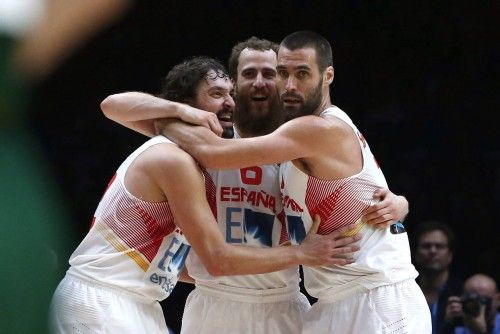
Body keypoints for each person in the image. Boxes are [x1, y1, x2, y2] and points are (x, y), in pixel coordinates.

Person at [102, 36, 410, 333]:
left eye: (269, 73)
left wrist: (398, 203)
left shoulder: (299, 148)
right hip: (214, 300)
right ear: (234, 84)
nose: (260, 82)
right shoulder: (206, 137)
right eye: (250, 73)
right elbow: (113, 105)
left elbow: (359, 185)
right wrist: (178, 111)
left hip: (282, 300)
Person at [50, 56, 362, 333]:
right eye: (216, 94)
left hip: (141, 300)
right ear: (187, 103)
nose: (228, 102)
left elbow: (183, 261)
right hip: (105, 297)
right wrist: (301, 254)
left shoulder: (226, 151)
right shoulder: (174, 156)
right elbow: (111, 105)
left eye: (230, 94)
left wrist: (393, 201)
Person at [413, 220, 464, 334]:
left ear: (450, 254)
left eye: (439, 246)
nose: (433, 251)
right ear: (415, 253)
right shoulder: (404, 291)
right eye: (426, 246)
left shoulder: (462, 293)